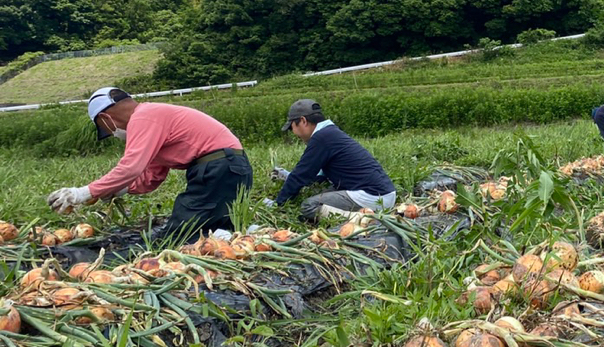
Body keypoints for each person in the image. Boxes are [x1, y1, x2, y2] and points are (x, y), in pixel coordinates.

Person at [45, 87, 253, 245]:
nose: (113, 134)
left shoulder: (143, 118)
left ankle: (237, 240)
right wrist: (118, 188)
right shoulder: (152, 118)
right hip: (228, 169)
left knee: (180, 232)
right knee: (208, 226)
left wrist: (82, 193)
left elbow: (131, 168)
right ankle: (238, 236)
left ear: (106, 119)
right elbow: (153, 176)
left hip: (218, 168)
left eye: (106, 130)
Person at [268, 99, 398, 222]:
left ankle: (362, 218)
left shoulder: (321, 138)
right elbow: (316, 177)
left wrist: (277, 204)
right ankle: (363, 213)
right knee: (322, 192)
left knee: (309, 206)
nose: (294, 133)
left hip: (373, 196)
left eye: (292, 128)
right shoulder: (330, 133)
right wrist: (287, 176)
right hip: (384, 193)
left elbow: (301, 174)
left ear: (303, 121)